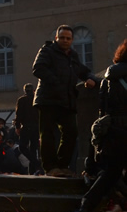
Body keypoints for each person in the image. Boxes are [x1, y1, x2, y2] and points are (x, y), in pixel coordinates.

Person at [32, 25, 96, 176]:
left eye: (68, 38)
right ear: (56, 38)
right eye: (62, 38)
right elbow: (38, 68)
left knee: (71, 132)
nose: (65, 40)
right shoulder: (47, 51)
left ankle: (62, 165)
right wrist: (55, 82)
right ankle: (50, 167)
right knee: (47, 134)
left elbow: (82, 70)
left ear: (72, 40)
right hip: (48, 99)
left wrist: (89, 78)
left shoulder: (73, 56)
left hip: (67, 100)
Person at [80, 39, 127, 212]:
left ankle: (86, 205)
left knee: (111, 173)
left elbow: (103, 108)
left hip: (113, 130)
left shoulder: (109, 78)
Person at [14, 83, 40, 173]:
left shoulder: (22, 100)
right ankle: (32, 170)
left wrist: (17, 126)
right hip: (36, 127)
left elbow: (19, 115)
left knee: (22, 147)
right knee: (33, 148)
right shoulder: (37, 99)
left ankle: (36, 164)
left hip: (26, 126)